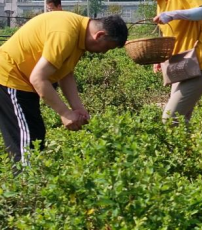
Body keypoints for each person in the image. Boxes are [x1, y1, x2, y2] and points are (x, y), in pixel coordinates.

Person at [0, 12, 127, 164]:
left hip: (23, 81)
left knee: (35, 133)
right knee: (26, 142)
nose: (103, 52)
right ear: (99, 35)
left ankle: (30, 176)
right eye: (106, 47)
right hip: (10, 76)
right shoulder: (66, 34)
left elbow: (65, 73)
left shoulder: (79, 34)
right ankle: (25, 178)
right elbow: (38, 78)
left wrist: (78, 108)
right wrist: (65, 113)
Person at [125, 0, 202, 122]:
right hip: (181, 66)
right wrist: (161, 57)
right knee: (180, 123)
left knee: (170, 119)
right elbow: (170, 31)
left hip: (199, 63)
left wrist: (173, 14)